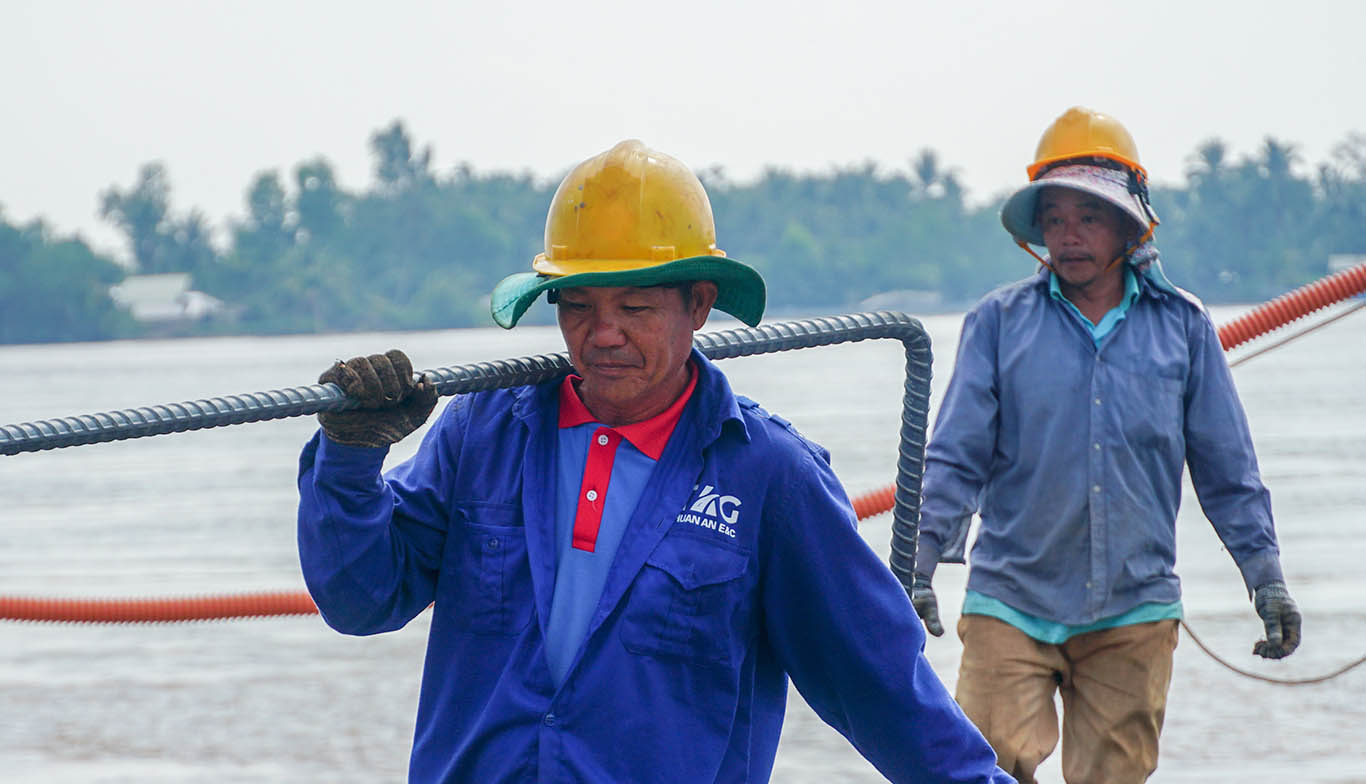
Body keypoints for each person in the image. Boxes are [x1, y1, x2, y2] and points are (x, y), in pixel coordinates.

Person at [297, 140, 1013, 783]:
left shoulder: (771, 478)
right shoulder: (481, 433)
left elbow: (882, 688)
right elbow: (361, 599)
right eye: (576, 305)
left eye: (634, 306)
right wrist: (350, 458)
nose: (601, 334)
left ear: (698, 304)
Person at [910, 107, 1303, 784]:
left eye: (1089, 217)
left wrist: (1265, 578)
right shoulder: (998, 324)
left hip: (1134, 608)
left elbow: (1228, 471)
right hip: (1012, 598)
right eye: (1055, 218)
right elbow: (956, 457)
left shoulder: (1182, 327)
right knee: (980, 767)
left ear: (1129, 225)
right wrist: (915, 567)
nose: (1069, 236)